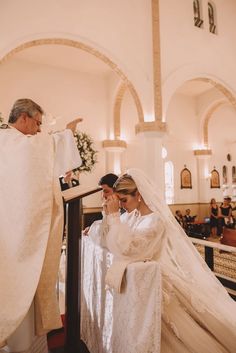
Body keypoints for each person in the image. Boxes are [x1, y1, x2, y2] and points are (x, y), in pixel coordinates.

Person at [90, 169, 236, 353]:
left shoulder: (155, 221)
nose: (122, 206)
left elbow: (128, 250)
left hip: (156, 284)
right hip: (138, 283)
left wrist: (113, 217)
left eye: (125, 200)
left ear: (139, 195)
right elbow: (110, 240)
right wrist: (108, 215)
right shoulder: (133, 215)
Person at [0, 98, 82, 348]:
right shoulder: (13, 143)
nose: (38, 130)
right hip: (16, 238)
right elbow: (40, 149)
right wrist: (67, 133)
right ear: (23, 117)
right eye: (36, 123)